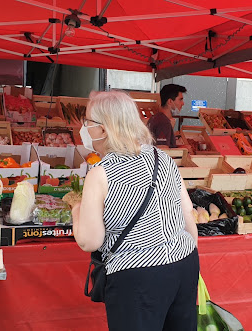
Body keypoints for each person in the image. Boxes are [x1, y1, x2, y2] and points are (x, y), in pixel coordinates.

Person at [72, 90, 199, 331]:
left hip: (138, 275)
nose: (84, 128)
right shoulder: (163, 158)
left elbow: (90, 241)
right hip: (184, 262)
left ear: (104, 129)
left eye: (88, 122)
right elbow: (187, 213)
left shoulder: (100, 174)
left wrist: (77, 210)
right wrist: (186, 256)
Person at [148, 84, 186, 148]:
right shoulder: (163, 123)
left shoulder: (156, 118)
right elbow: (162, 151)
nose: (183, 103)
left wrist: (179, 148)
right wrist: (182, 151)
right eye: (180, 99)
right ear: (170, 101)